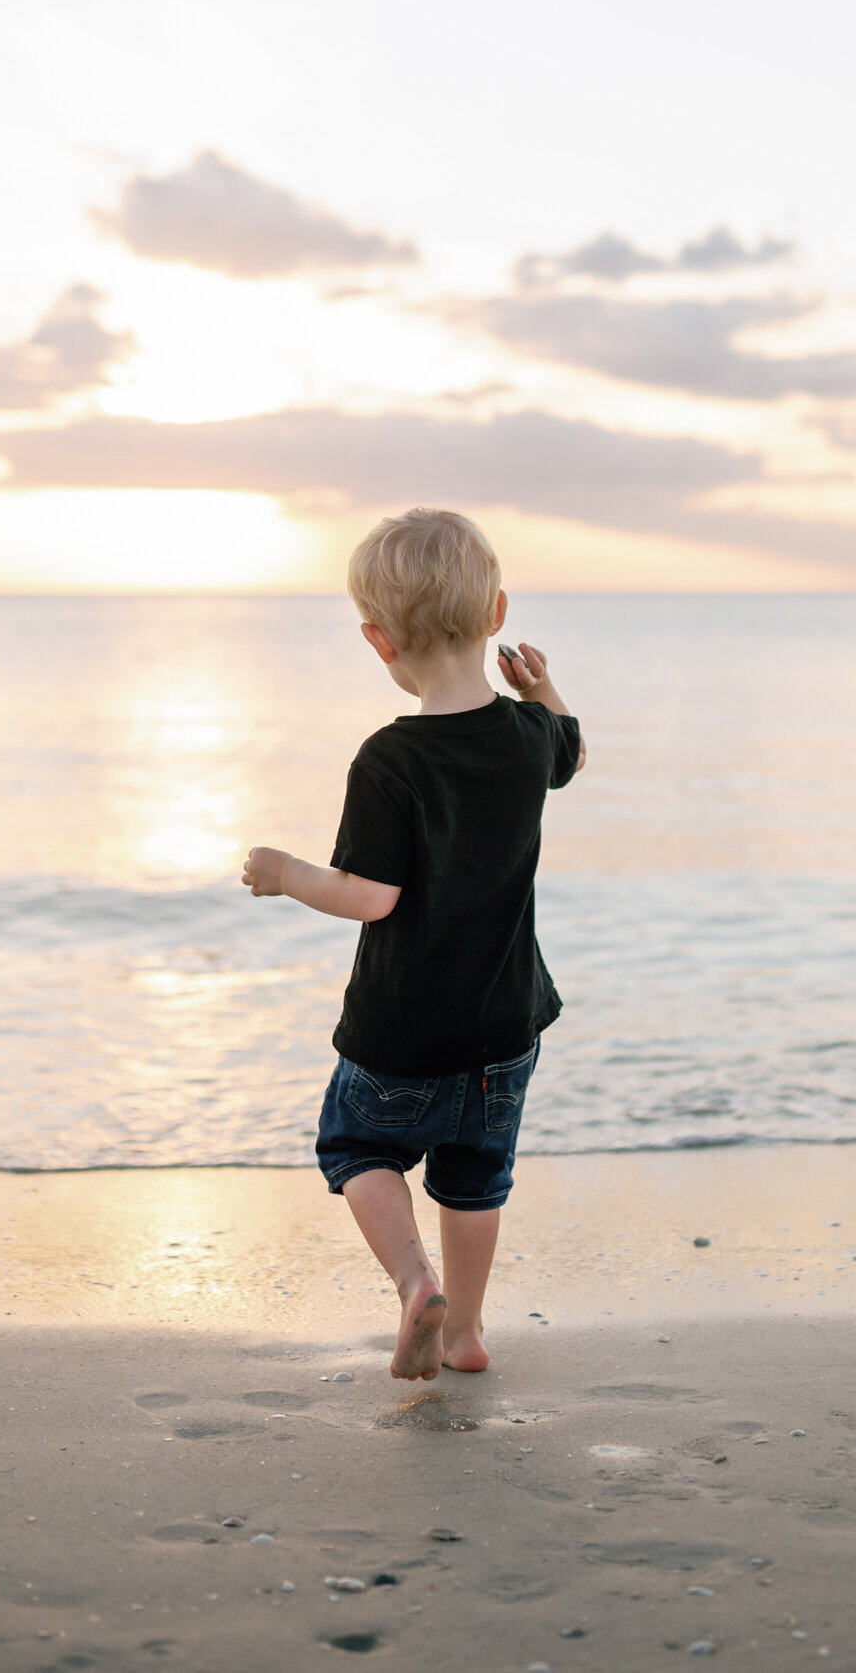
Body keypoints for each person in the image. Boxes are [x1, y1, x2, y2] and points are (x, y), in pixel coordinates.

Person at [241, 506, 583, 1381]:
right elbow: (571, 752)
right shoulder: (528, 735)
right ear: (497, 614)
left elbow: (369, 895)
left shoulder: (389, 757)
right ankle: (465, 1330)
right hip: (505, 1028)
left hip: (400, 1029)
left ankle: (412, 1282)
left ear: (378, 640)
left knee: (357, 1146)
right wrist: (541, 687)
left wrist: (286, 872)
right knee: (475, 1180)